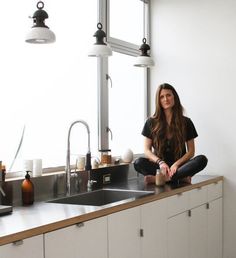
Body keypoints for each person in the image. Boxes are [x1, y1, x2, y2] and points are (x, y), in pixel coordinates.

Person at [134, 83, 208, 184]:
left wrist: (176, 165)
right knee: (138, 162)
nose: (166, 99)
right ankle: (180, 177)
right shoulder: (150, 122)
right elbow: (147, 150)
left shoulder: (186, 122)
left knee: (202, 160)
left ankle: (161, 179)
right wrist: (160, 163)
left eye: (168, 95)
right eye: (162, 97)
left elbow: (191, 152)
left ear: (174, 97)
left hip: (180, 166)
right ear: (158, 101)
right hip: (160, 167)